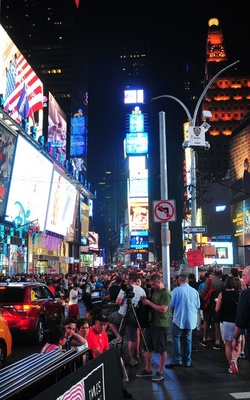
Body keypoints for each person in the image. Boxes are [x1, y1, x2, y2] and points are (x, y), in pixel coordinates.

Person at [86, 313, 133, 399]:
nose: (103, 327)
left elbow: (106, 349)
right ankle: (120, 387)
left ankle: (121, 386)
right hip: (95, 360)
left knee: (120, 360)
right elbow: (97, 353)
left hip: (103, 357)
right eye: (101, 324)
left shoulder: (104, 333)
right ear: (96, 322)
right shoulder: (91, 333)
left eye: (105, 325)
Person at [136, 274, 171, 383]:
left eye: (153, 285)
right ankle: (148, 369)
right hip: (151, 323)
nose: (152, 287)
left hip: (160, 324)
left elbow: (163, 309)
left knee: (161, 348)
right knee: (147, 347)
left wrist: (149, 303)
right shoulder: (154, 291)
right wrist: (146, 299)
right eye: (151, 285)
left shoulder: (165, 293)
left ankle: (160, 372)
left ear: (159, 282)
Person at [108, 273, 146, 367]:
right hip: (134, 316)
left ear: (130, 280)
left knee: (109, 320)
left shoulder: (124, 288)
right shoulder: (142, 290)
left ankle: (118, 336)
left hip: (122, 314)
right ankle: (131, 358)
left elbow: (118, 302)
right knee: (131, 338)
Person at [165, 274, 200, 369]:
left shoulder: (176, 291)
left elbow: (170, 304)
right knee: (188, 339)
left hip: (179, 319)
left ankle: (177, 360)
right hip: (191, 319)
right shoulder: (194, 291)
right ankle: (187, 361)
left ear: (179, 281)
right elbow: (198, 305)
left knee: (176, 338)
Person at [215, 276, 240, 374]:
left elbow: (217, 309)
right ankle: (234, 359)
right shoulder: (239, 294)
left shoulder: (222, 295)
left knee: (228, 344)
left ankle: (231, 365)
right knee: (237, 343)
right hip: (237, 322)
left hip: (225, 322)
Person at [199, 269, 225, 349]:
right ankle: (217, 342)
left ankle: (205, 339)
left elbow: (204, 292)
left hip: (208, 305)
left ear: (213, 273)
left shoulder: (209, 281)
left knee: (206, 322)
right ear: (221, 275)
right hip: (218, 304)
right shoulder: (222, 284)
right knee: (216, 323)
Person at [232, 266, 250, 363]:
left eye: (244, 275)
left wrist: (235, 337)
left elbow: (241, 320)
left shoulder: (245, 295)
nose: (242, 278)